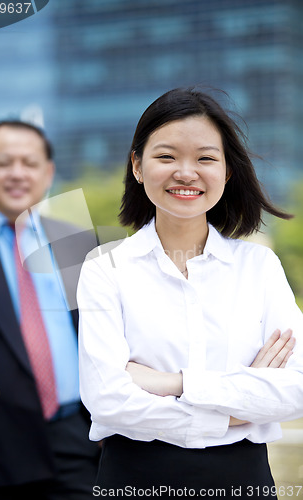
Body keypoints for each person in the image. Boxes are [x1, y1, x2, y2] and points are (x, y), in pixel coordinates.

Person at [77, 88, 303, 498]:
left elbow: (297, 389)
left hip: (243, 483)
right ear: (138, 166)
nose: (186, 172)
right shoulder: (104, 267)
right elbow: (107, 401)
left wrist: (174, 382)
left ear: (228, 171)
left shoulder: (259, 267)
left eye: (205, 158)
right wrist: (235, 409)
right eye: (166, 156)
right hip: (134, 482)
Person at [0, 120, 100, 500]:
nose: (17, 174)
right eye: (4, 162)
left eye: (29, 163)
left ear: (47, 173)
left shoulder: (78, 242)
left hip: (80, 440)